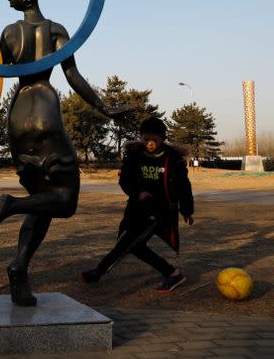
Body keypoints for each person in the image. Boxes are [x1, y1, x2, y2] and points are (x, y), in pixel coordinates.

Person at [0, 0, 127, 306]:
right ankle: (9, 204)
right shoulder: (55, 31)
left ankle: (19, 266)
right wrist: (104, 107)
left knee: (43, 203)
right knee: (64, 202)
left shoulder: (10, 33)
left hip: (19, 118)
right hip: (46, 112)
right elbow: (73, 77)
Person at [80, 116, 195, 292]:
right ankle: (172, 273)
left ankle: (99, 272)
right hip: (137, 208)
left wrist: (187, 210)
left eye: (154, 140)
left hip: (160, 211)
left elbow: (184, 186)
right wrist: (137, 193)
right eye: (146, 139)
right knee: (134, 245)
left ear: (163, 139)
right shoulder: (134, 155)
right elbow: (125, 180)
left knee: (129, 242)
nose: (150, 143)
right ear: (140, 137)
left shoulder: (173, 159)